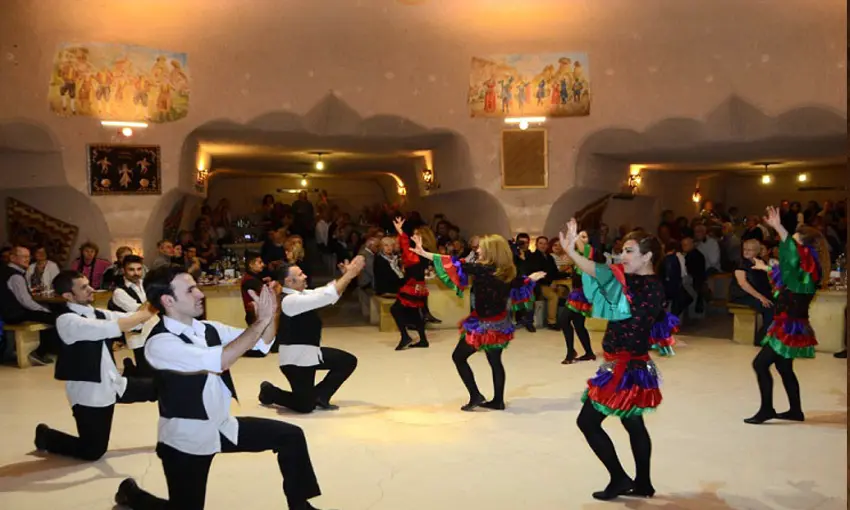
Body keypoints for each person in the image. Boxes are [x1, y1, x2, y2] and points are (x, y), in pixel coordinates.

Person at [114, 265, 324, 510]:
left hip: (222, 425)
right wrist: (261, 322)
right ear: (168, 300)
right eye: (190, 290)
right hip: (185, 440)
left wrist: (270, 315)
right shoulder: (160, 343)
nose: (200, 294)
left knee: (290, 436)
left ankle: (300, 507)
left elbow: (261, 343)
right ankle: (133, 495)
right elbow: (222, 360)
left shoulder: (207, 328)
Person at [561, 218, 678, 501]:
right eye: (622, 250)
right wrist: (577, 251)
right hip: (631, 365)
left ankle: (619, 478)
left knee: (587, 422)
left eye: (629, 251)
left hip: (623, 369)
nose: (622, 256)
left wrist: (573, 252)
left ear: (647, 256)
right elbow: (602, 272)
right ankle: (643, 483)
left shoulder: (644, 287)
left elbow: (600, 272)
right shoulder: (642, 283)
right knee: (633, 423)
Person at [409, 234, 545, 411]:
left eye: (481, 247)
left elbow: (451, 262)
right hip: (500, 323)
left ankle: (475, 395)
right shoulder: (506, 271)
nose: (478, 250)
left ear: (491, 251)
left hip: (484, 326)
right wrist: (531, 278)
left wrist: (424, 253)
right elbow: (520, 282)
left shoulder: (483, 269)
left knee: (458, 357)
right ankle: (498, 401)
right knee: (495, 361)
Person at [33, 270, 157, 461]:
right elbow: (119, 325)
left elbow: (133, 319)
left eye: (89, 284)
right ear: (68, 296)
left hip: (115, 384)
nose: (91, 289)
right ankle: (46, 436)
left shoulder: (96, 313)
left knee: (166, 386)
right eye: (84, 287)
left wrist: (155, 300)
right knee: (92, 451)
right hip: (90, 394)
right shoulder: (67, 321)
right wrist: (152, 306)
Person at [743, 206, 831, 425]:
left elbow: (791, 255)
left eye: (794, 241)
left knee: (760, 364)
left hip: (788, 326)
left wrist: (778, 227)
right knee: (783, 366)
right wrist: (765, 268)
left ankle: (767, 409)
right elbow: (788, 275)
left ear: (804, 249)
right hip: (789, 323)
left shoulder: (808, 268)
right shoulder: (806, 271)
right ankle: (795, 411)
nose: (789, 244)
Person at [259, 257, 363, 413]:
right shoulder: (290, 301)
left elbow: (328, 292)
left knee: (347, 361)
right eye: (300, 274)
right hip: (295, 361)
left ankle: (320, 396)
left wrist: (345, 276)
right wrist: (349, 275)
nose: (305, 276)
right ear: (289, 281)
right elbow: (326, 296)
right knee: (305, 406)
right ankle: (270, 392)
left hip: (311, 354)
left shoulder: (303, 294)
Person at [389, 217, 434, 350]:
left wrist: (401, 232)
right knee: (414, 313)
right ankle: (423, 340)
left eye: (416, 235)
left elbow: (405, 247)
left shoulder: (417, 253)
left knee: (395, 309)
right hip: (418, 286)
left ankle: (405, 336)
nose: (413, 237)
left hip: (412, 287)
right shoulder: (425, 252)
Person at [560, 230, 603, 364]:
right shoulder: (578, 254)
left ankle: (570, 353)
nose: (580, 239)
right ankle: (588, 353)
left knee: (564, 320)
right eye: (580, 236)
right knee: (578, 324)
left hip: (583, 294)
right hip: (577, 292)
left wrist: (574, 235)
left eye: (584, 237)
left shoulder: (590, 252)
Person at [106, 255, 154, 374]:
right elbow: (141, 312)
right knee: (146, 373)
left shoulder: (146, 284)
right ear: (123, 270)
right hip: (138, 337)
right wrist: (155, 298)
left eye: (139, 269)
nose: (136, 273)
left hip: (155, 333)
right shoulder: (119, 292)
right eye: (131, 269)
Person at [728, 239, 775, 346]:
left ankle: (770, 336)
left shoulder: (760, 262)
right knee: (769, 308)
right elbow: (743, 283)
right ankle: (761, 339)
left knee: (779, 305)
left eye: (750, 250)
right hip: (743, 295)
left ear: (757, 251)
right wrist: (760, 297)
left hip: (758, 294)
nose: (746, 252)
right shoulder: (740, 263)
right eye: (745, 249)